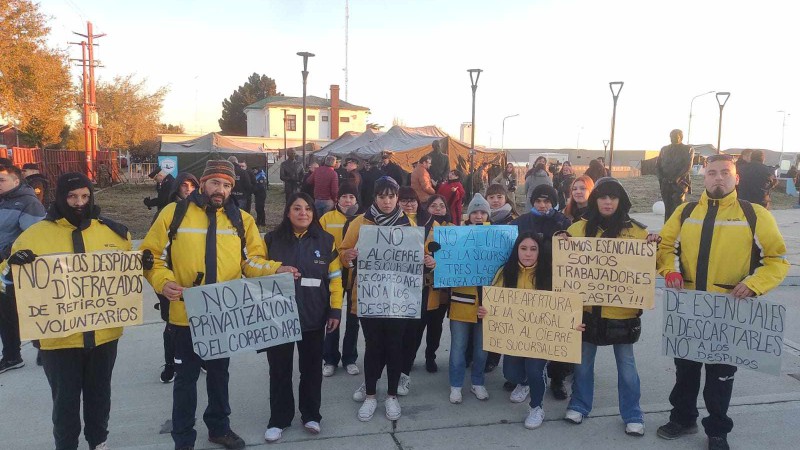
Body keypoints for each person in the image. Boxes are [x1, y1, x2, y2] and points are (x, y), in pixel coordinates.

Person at [141, 159, 296, 450]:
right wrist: (163, 282)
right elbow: (151, 257)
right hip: (185, 314)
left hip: (223, 315)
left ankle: (219, 428)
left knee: (219, 375)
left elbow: (251, 262)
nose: (220, 189)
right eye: (215, 183)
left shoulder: (242, 220)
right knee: (185, 380)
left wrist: (276, 269)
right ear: (203, 183)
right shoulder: (174, 213)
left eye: (226, 185)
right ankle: (183, 438)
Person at [655, 153, 788, 450]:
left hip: (729, 312)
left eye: (724, 172)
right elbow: (665, 248)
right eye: (712, 172)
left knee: (720, 377)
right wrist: (670, 271)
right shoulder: (686, 211)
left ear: (736, 177)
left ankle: (717, 430)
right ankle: (683, 417)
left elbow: (776, 261)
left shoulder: (754, 215)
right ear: (704, 176)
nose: (718, 177)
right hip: (688, 308)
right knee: (685, 371)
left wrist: (754, 285)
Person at [0, 172, 130, 450]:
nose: (79, 202)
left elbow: (127, 277)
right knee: (65, 401)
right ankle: (66, 445)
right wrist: (12, 267)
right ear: (60, 197)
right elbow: (4, 280)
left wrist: (139, 263)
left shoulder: (114, 233)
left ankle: (98, 441)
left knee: (99, 396)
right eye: (72, 196)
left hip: (103, 335)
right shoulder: (33, 236)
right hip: (58, 340)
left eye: (84, 196)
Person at [562, 177, 659, 437]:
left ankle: (632, 413)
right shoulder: (578, 229)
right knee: (582, 365)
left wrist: (654, 247)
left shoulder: (637, 232)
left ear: (620, 201)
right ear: (595, 200)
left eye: (613, 197)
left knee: (627, 368)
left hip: (623, 313)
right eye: (602, 197)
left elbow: (652, 267)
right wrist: (559, 240)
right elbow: (561, 261)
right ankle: (580, 405)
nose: (607, 202)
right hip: (587, 311)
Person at [340, 176, 435, 422]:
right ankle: (371, 394)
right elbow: (343, 253)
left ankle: (391, 395)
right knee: (373, 347)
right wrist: (348, 256)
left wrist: (428, 262)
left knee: (395, 347)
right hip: (370, 297)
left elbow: (422, 258)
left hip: (400, 299)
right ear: (374, 198)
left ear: (397, 198)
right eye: (382, 196)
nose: (387, 201)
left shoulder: (410, 228)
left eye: (391, 196)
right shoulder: (360, 223)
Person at [478, 232, 585, 429]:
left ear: (539, 252)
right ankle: (524, 383)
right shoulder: (505, 272)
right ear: (516, 250)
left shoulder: (551, 274)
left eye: (533, 249)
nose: (528, 254)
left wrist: (573, 323)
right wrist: (486, 311)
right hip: (514, 336)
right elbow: (493, 301)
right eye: (523, 248)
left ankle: (537, 407)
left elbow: (566, 305)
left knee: (535, 370)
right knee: (511, 373)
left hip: (541, 338)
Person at [262, 192, 343, 443]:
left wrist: (335, 310)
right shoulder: (272, 239)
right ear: (288, 212)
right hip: (279, 317)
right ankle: (279, 419)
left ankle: (311, 415)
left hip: (313, 316)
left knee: (310, 370)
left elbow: (336, 279)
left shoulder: (326, 240)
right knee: (279, 370)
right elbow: (255, 269)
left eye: (308, 209)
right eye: (297, 208)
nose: (303, 213)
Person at [509, 184, 572, 397]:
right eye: (538, 201)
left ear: (553, 202)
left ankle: (557, 378)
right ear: (532, 202)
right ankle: (523, 376)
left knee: (554, 334)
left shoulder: (563, 222)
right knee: (525, 331)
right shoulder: (522, 221)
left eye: (546, 201)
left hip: (555, 283)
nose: (542, 205)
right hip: (527, 282)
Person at [0, 163, 46, 373]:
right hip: (2, 270)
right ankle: (11, 356)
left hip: (19, 268)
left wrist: (9, 253)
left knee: (30, 310)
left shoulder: (29, 203)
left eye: (2, 180)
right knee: (5, 313)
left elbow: (34, 236)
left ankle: (44, 347)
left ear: (16, 181)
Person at [154, 172, 199, 383]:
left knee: (201, 322)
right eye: (184, 185)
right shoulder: (168, 212)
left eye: (192, 185)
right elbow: (154, 252)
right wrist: (163, 280)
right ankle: (170, 363)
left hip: (196, 281)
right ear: (177, 188)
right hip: (171, 282)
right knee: (171, 326)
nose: (188, 189)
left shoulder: (204, 213)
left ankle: (203, 359)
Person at [448, 193, 492, 404]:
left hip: (488, 303)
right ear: (468, 214)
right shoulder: (456, 235)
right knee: (458, 347)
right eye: (475, 211)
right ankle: (456, 386)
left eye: (483, 211)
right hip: (461, 301)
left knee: (481, 349)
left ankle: (477, 382)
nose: (479, 215)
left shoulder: (498, 236)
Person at [321, 184, 362, 377]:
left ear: (357, 200)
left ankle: (349, 358)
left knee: (353, 319)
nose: (347, 200)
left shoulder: (363, 220)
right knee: (332, 315)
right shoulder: (327, 218)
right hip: (333, 273)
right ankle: (329, 358)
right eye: (344, 196)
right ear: (337, 200)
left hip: (355, 275)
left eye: (351, 197)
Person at [414, 195, 451, 373]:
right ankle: (410, 356)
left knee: (435, 327)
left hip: (442, 289)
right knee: (416, 327)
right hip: (420, 288)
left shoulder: (453, 229)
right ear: (426, 208)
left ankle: (431, 356)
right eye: (433, 206)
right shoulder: (418, 227)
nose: (438, 209)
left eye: (441, 205)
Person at [657, 129, 695, 221]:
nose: (673, 138)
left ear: (681, 137)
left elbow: (687, 166)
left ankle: (679, 229)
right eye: (671, 137)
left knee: (678, 208)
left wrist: (677, 178)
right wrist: (662, 178)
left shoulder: (688, 149)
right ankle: (667, 230)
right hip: (665, 184)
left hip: (680, 183)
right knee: (668, 208)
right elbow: (658, 165)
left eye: (675, 136)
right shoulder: (664, 149)